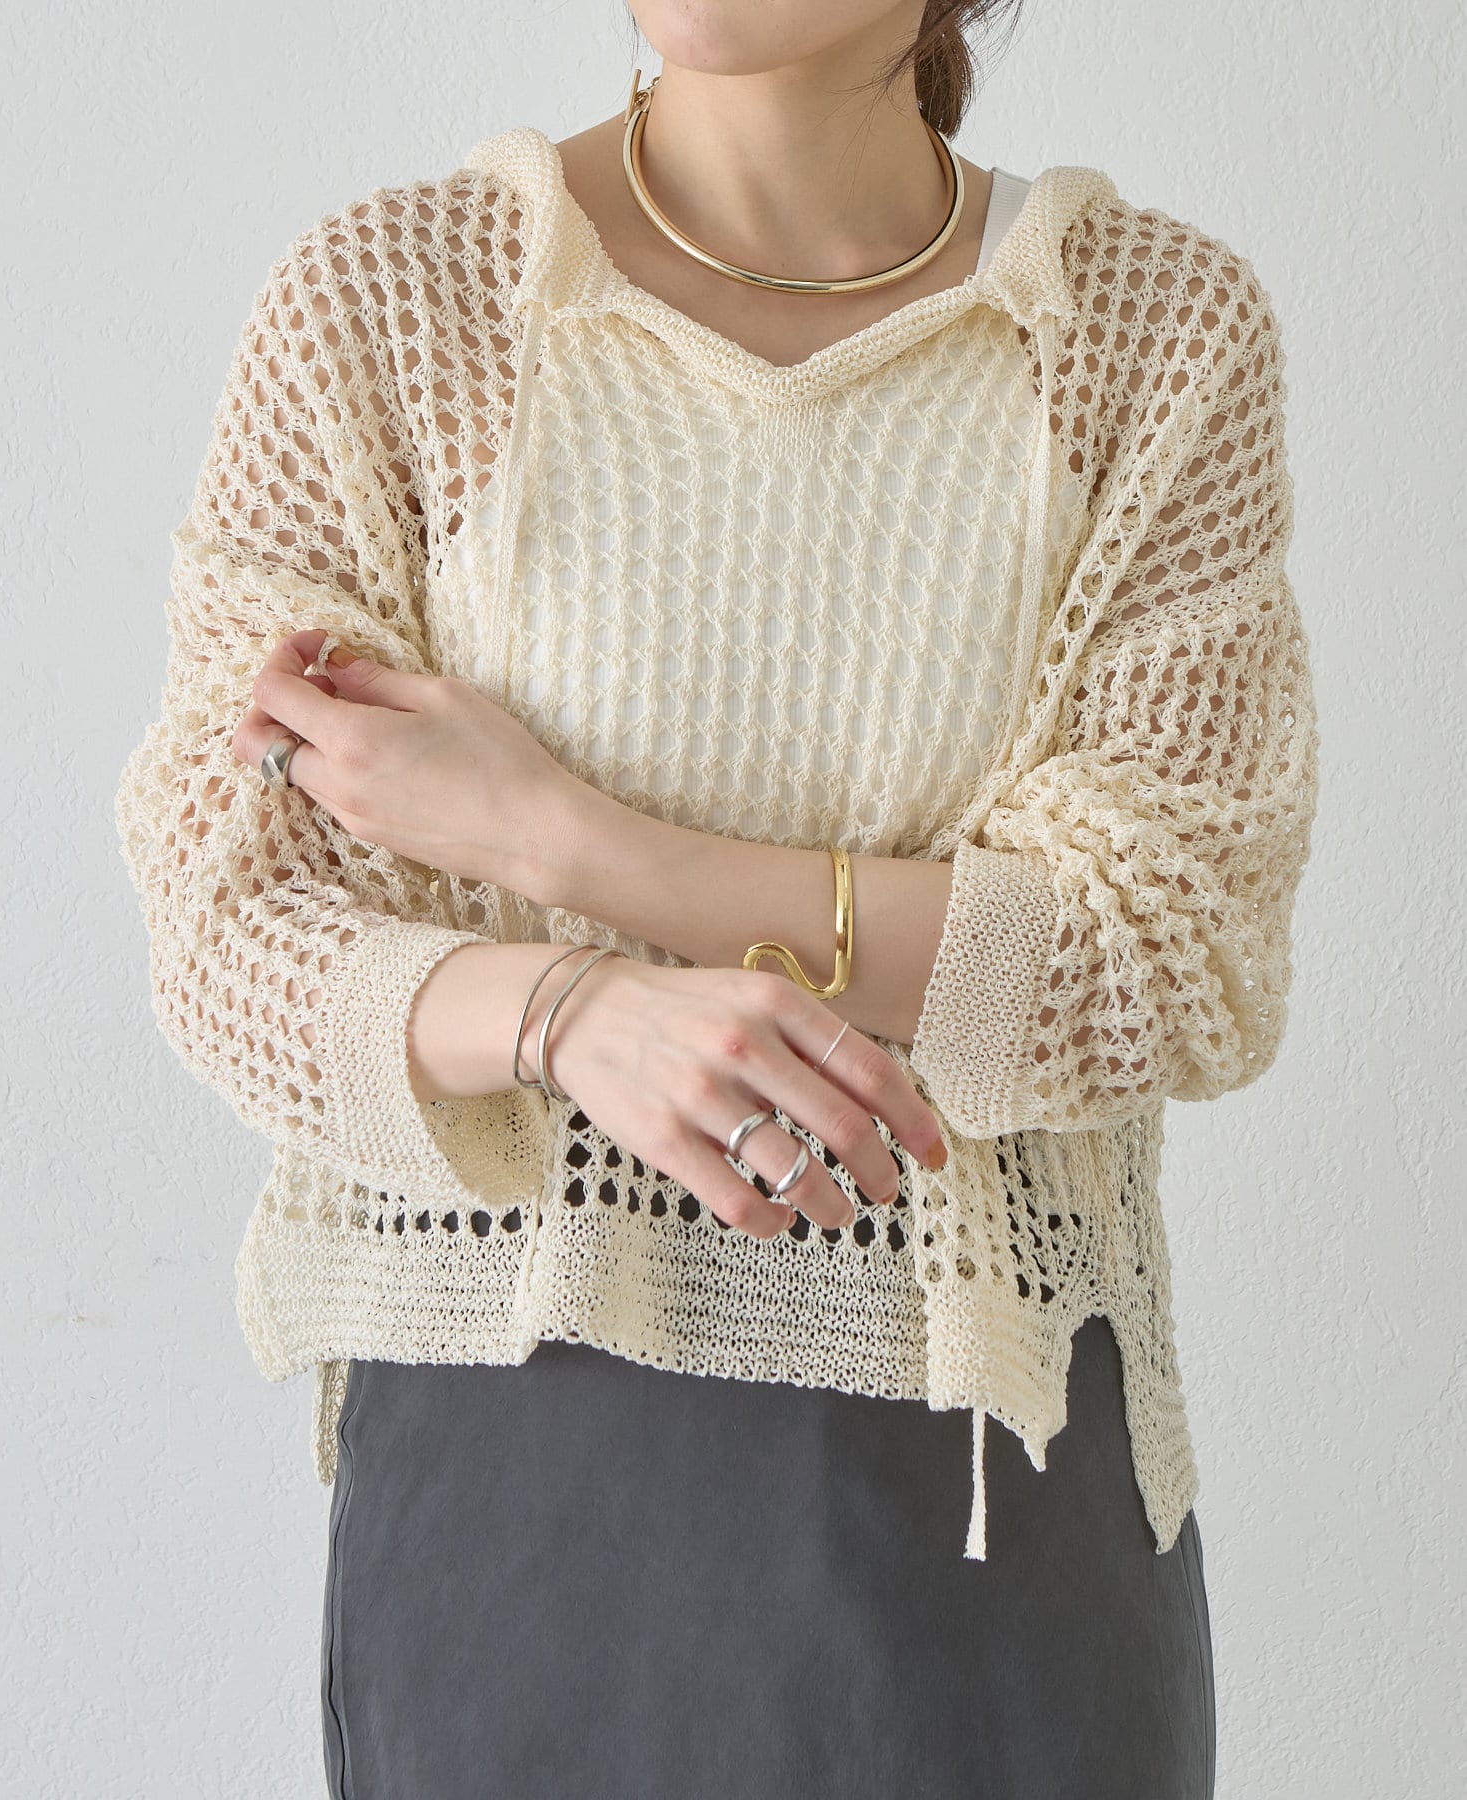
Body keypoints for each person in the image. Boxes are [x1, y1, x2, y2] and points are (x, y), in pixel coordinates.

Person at [114, 3, 1318, 1795]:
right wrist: (571, 1014)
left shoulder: (1142, 333)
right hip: (522, 1492)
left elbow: (1172, 947)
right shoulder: (399, 308)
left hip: (980, 1511)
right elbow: (231, 912)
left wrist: (576, 849)